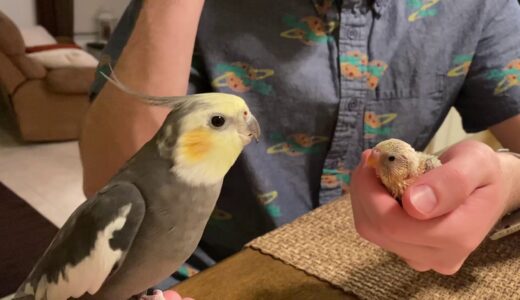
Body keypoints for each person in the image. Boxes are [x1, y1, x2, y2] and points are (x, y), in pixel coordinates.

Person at [79, 0, 520, 293]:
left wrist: (508, 181)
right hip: (196, 275)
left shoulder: (480, 8)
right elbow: (110, 183)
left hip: (374, 275)